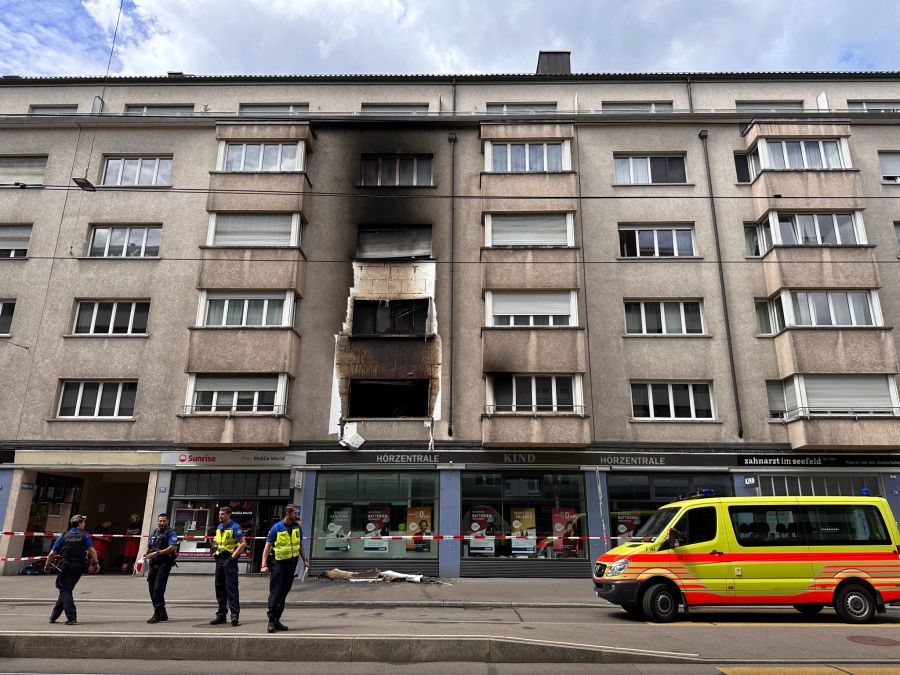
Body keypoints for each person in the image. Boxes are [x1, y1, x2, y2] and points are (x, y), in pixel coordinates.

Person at [260, 504, 308, 633]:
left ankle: (277, 620)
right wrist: (263, 564)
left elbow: (299, 544)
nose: (296, 515)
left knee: (284, 592)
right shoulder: (277, 528)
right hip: (279, 564)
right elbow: (267, 547)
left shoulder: (297, 527)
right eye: (294, 513)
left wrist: (305, 559)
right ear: (288, 513)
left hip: (291, 564)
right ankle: (271, 621)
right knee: (276, 591)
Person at [45, 514, 98, 625]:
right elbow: (92, 550)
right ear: (79, 524)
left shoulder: (64, 535)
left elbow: (52, 553)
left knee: (65, 590)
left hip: (65, 566)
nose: (84, 524)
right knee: (66, 590)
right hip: (78, 567)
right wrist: (96, 563)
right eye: (83, 522)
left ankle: (71, 617)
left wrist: (47, 565)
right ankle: (53, 616)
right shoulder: (85, 535)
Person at [210, 506, 246, 626]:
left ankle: (234, 615)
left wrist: (232, 557)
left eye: (222, 514)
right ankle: (221, 615)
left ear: (229, 515)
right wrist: (214, 549)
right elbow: (217, 541)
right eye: (219, 514)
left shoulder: (235, 527)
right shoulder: (219, 526)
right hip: (220, 559)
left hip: (229, 560)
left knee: (231, 589)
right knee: (219, 588)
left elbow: (243, 544)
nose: (220, 516)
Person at [144, 512, 179, 624]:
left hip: (165, 563)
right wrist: (147, 553)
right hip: (154, 563)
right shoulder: (154, 532)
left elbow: (172, 548)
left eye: (164, 521)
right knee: (151, 587)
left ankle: (157, 613)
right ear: (157, 521)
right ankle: (162, 612)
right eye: (160, 521)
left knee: (158, 589)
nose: (162, 523)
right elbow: (149, 546)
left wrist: (157, 553)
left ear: (167, 521)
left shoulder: (171, 532)